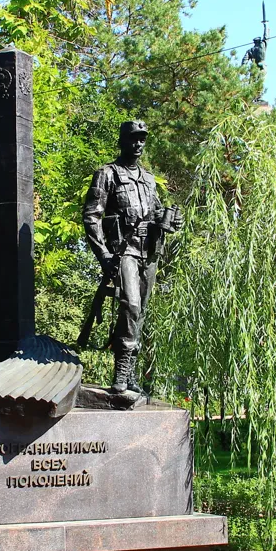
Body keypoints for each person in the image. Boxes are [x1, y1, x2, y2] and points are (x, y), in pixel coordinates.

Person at [82, 120, 183, 398]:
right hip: (123, 250)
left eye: (142, 139)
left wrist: (171, 221)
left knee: (141, 311)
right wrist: (103, 254)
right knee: (130, 305)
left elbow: (156, 212)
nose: (138, 144)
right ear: (122, 141)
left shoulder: (148, 179)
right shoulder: (107, 174)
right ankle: (121, 370)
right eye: (133, 139)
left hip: (148, 251)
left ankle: (130, 373)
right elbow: (91, 216)